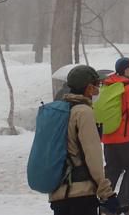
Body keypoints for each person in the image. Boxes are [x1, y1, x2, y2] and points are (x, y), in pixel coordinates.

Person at [50, 65, 122, 215]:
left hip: (58, 193)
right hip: (81, 195)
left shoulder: (61, 110)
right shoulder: (84, 113)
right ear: (89, 88)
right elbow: (93, 156)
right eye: (98, 85)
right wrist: (106, 193)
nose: (98, 90)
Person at [101, 57, 129, 215]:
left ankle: (106, 206)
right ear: (126, 70)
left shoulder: (107, 84)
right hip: (125, 138)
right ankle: (122, 204)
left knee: (112, 169)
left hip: (108, 137)